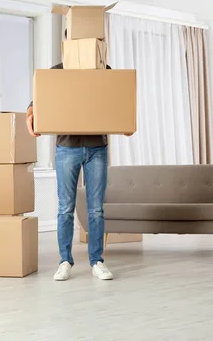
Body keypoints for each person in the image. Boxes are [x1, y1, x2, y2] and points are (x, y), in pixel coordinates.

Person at [26, 50, 132, 281]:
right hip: (67, 147)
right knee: (65, 208)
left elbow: (120, 101)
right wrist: (31, 116)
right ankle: (65, 261)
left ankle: (97, 261)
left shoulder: (104, 71)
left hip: (97, 148)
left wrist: (126, 121)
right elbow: (37, 101)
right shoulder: (57, 72)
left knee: (96, 209)